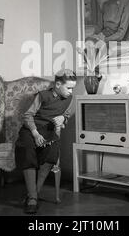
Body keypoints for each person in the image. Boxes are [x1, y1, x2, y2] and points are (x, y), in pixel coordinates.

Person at [15, 69, 77, 214]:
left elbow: (65, 115)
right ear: (57, 84)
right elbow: (28, 115)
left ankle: (33, 195)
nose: (70, 91)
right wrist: (35, 134)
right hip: (31, 130)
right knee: (29, 154)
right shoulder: (42, 96)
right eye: (68, 88)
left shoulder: (70, 98)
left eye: (72, 88)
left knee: (51, 156)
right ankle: (32, 199)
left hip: (49, 132)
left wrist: (64, 118)